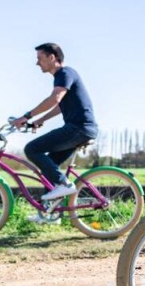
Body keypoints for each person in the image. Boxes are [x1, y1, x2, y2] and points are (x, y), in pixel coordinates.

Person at [12, 43, 98, 204]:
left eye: (40, 58)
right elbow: (60, 106)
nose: (37, 63)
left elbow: (54, 99)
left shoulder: (65, 73)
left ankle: (64, 183)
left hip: (79, 128)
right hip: (80, 128)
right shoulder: (63, 76)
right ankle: (50, 214)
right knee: (49, 167)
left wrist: (27, 116)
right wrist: (40, 120)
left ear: (52, 57)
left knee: (31, 149)